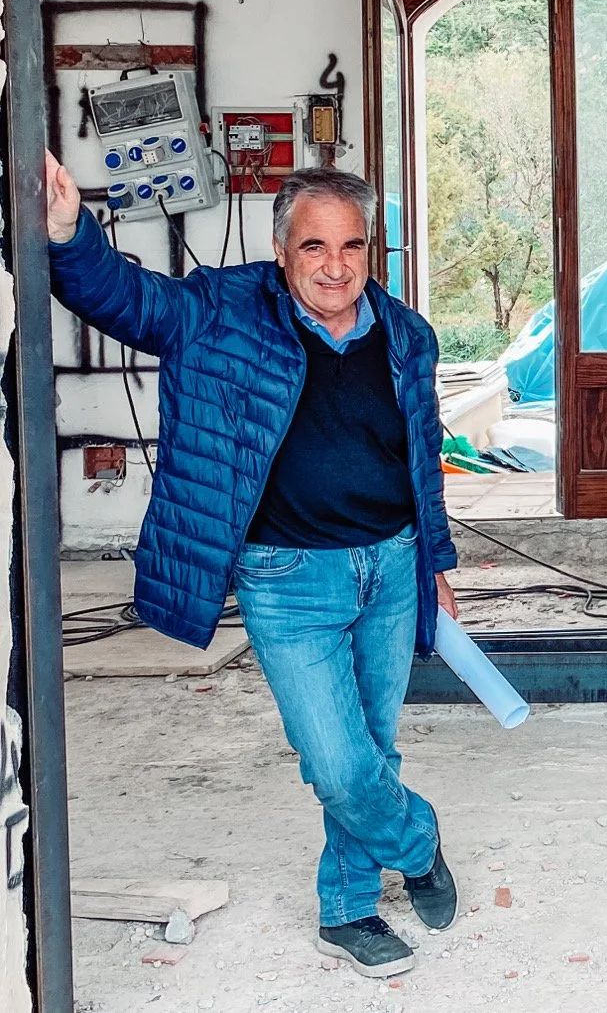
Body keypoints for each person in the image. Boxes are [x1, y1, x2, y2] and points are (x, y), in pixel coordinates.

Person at [45, 158, 463, 979]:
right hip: (288, 579)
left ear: (372, 248)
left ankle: (347, 911)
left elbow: (422, 458)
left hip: (390, 565)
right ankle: (417, 843)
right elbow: (122, 298)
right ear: (282, 249)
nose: (335, 265)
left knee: (372, 747)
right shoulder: (219, 311)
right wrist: (68, 231)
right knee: (337, 762)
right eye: (314, 245)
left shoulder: (407, 334)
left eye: (351, 245)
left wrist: (436, 563)